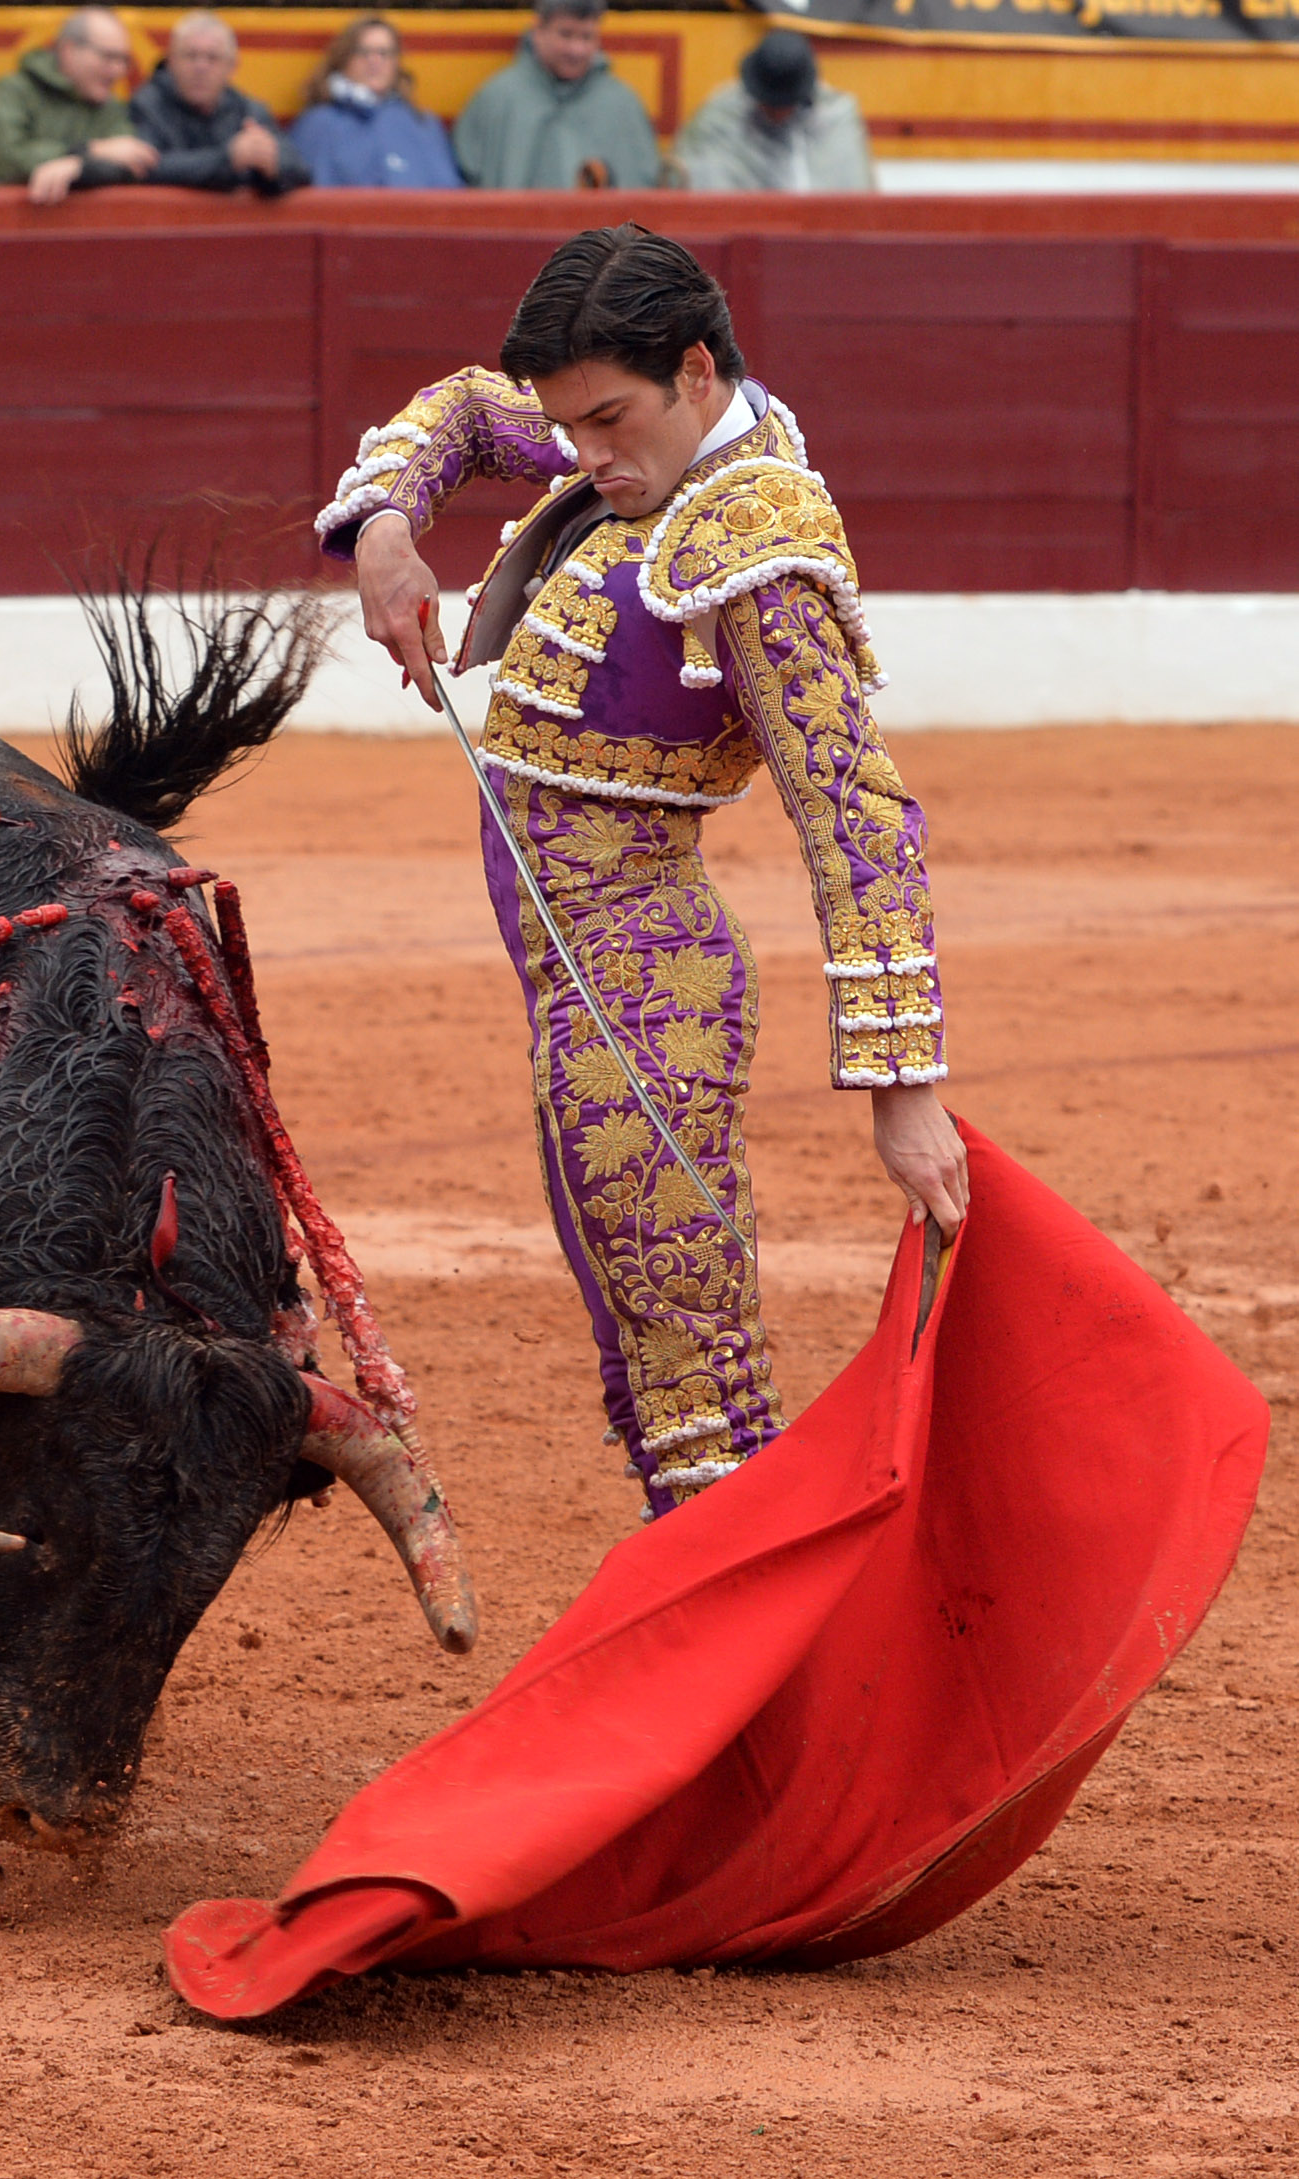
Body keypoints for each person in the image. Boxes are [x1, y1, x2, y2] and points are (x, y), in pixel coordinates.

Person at [317, 224, 964, 1519]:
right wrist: (386, 528)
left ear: (698, 372)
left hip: (644, 986)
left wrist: (904, 1089)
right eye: (570, 426)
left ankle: (749, 1624)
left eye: (608, 421)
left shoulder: (756, 548)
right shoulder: (643, 435)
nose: (585, 454)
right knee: (649, 1345)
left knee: (690, 1378)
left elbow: (855, 814)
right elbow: (465, 409)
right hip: (582, 970)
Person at [0, 8, 159, 205]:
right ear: (69, 50)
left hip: (61, 229)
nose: (119, 70)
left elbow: (129, 165)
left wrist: (79, 167)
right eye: (108, 57)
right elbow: (9, 159)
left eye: (124, 60)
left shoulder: (110, 109)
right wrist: (91, 151)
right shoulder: (9, 93)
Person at [452, 0, 661, 192]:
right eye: (566, 34)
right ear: (538, 32)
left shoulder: (622, 104)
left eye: (586, 37)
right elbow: (466, 182)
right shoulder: (497, 99)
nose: (576, 50)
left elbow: (643, 190)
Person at [131, 12, 308, 197]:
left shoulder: (248, 109)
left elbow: (300, 169)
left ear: (232, 67)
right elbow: (144, 167)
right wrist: (228, 160)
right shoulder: (147, 105)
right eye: (190, 56)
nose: (201, 67)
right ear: (171, 62)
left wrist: (272, 163)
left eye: (213, 58)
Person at [673, 29, 873, 194]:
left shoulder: (835, 116)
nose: (776, 113)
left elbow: (854, 203)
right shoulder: (720, 118)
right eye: (769, 103)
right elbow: (697, 194)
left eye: (784, 104)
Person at [288, 18, 461, 191]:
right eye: (363, 52)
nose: (374, 60)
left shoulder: (423, 123)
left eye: (384, 53)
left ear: (396, 63)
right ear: (343, 59)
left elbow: (449, 192)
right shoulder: (318, 124)